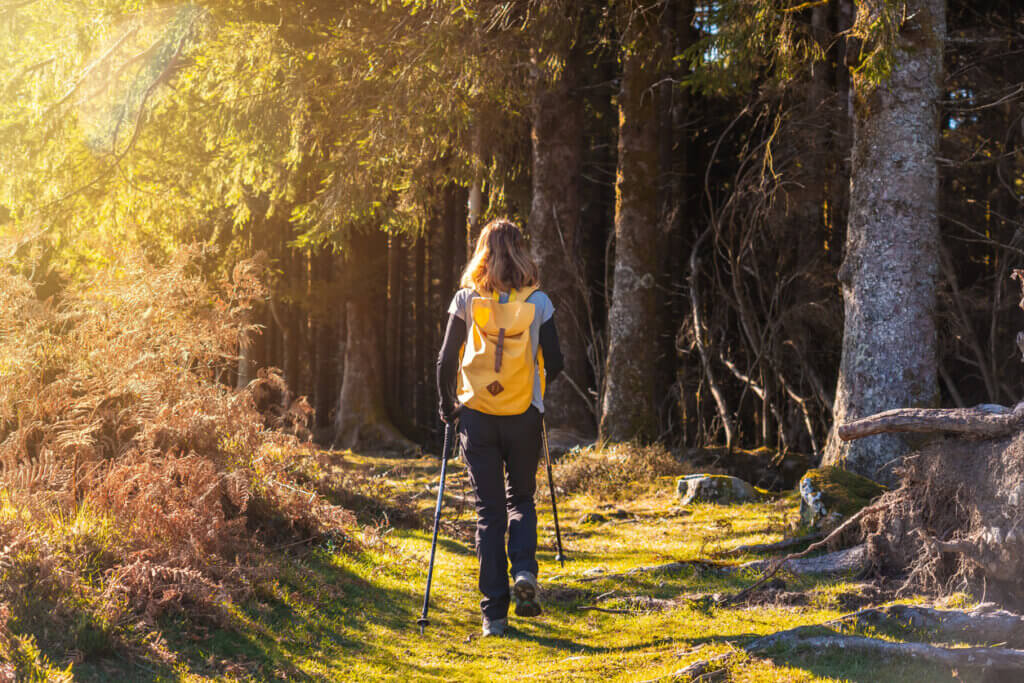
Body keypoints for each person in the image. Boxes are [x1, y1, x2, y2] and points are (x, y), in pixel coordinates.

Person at [436, 218, 564, 637]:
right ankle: (524, 570)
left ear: (483, 252)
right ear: (521, 251)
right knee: (521, 499)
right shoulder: (539, 301)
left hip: (476, 412)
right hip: (524, 413)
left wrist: (447, 405)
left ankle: (494, 616)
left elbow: (443, 361)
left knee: (489, 512)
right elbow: (557, 361)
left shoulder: (467, 299)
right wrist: (537, 392)